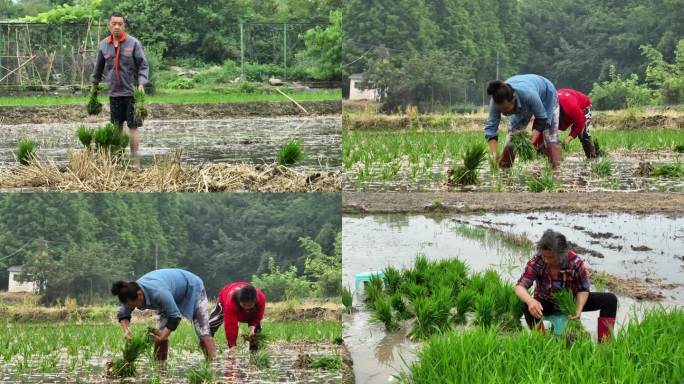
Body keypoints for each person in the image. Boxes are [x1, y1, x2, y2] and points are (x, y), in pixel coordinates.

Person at [515, 230, 617, 343]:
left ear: (562, 254)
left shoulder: (574, 262)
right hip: (546, 302)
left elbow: (583, 288)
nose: (547, 260)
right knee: (527, 306)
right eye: (544, 256)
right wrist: (530, 301)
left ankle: (605, 344)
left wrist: (578, 308)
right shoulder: (537, 261)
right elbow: (520, 286)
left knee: (610, 300)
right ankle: (541, 342)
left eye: (551, 257)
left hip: (571, 302)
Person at [111, 269, 216, 364]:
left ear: (139, 295)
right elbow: (123, 313)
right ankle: (160, 367)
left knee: (203, 330)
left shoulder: (158, 292)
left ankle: (212, 364)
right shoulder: (130, 293)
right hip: (171, 292)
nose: (132, 308)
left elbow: (175, 316)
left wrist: (163, 336)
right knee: (159, 332)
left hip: (192, 286)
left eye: (133, 305)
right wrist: (126, 330)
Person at [91, 12, 149, 164]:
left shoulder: (133, 43)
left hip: (132, 92)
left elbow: (143, 65)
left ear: (124, 26)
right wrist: (94, 88)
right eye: (114, 23)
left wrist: (142, 84)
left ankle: (135, 161)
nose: (117, 26)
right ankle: (118, 159)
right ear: (109, 25)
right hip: (114, 92)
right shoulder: (103, 45)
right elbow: (98, 68)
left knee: (133, 126)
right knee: (117, 126)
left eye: (120, 24)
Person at [484, 74, 561, 169]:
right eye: (501, 110)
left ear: (513, 98)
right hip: (523, 102)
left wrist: (530, 142)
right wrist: (494, 154)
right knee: (512, 137)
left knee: (550, 137)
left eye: (506, 109)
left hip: (546, 95)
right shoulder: (496, 101)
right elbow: (491, 129)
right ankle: (504, 171)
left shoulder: (528, 95)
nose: (504, 113)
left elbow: (541, 118)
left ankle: (555, 171)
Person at [209, 282, 266, 352]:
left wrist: (252, 327)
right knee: (210, 327)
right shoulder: (231, 302)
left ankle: (254, 353)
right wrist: (232, 347)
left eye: (250, 305)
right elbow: (230, 326)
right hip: (225, 297)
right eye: (244, 304)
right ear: (240, 300)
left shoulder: (261, 298)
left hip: (250, 308)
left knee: (255, 332)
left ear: (255, 302)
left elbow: (258, 316)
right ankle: (207, 350)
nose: (246, 308)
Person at [557, 88, 596, 158]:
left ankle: (592, 157)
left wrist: (568, 139)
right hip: (566, 99)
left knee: (583, 133)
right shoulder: (548, 104)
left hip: (583, 105)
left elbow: (580, 122)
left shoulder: (571, 107)